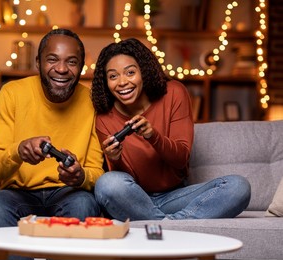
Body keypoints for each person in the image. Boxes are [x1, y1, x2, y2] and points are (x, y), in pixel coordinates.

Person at [90, 38, 251, 221]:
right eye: (113, 76)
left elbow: (181, 158)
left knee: (238, 186)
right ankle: (176, 226)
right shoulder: (104, 118)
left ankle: (163, 225)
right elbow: (122, 182)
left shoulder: (174, 93)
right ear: (106, 82)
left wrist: (153, 136)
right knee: (107, 183)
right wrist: (115, 159)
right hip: (134, 199)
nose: (122, 82)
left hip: (175, 197)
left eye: (130, 72)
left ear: (144, 71)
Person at [0, 28, 104, 230]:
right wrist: (18, 152)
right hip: (17, 193)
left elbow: (97, 173)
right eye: (52, 59)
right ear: (38, 63)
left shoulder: (92, 102)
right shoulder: (12, 93)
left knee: (84, 204)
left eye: (71, 62)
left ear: (81, 67)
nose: (61, 69)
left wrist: (81, 176)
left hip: (68, 193)